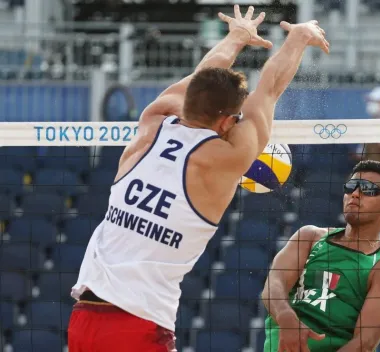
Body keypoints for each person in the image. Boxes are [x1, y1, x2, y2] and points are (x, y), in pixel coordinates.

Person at [67, 4, 330, 352]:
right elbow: (268, 91)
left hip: (84, 316)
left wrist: (235, 38)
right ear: (226, 121)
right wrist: (297, 38)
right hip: (139, 322)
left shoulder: (152, 122)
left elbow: (201, 77)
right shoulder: (227, 158)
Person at [262, 160, 380, 352]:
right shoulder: (309, 237)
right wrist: (286, 317)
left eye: (368, 189)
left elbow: (363, 344)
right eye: (350, 187)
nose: (355, 194)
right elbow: (273, 284)